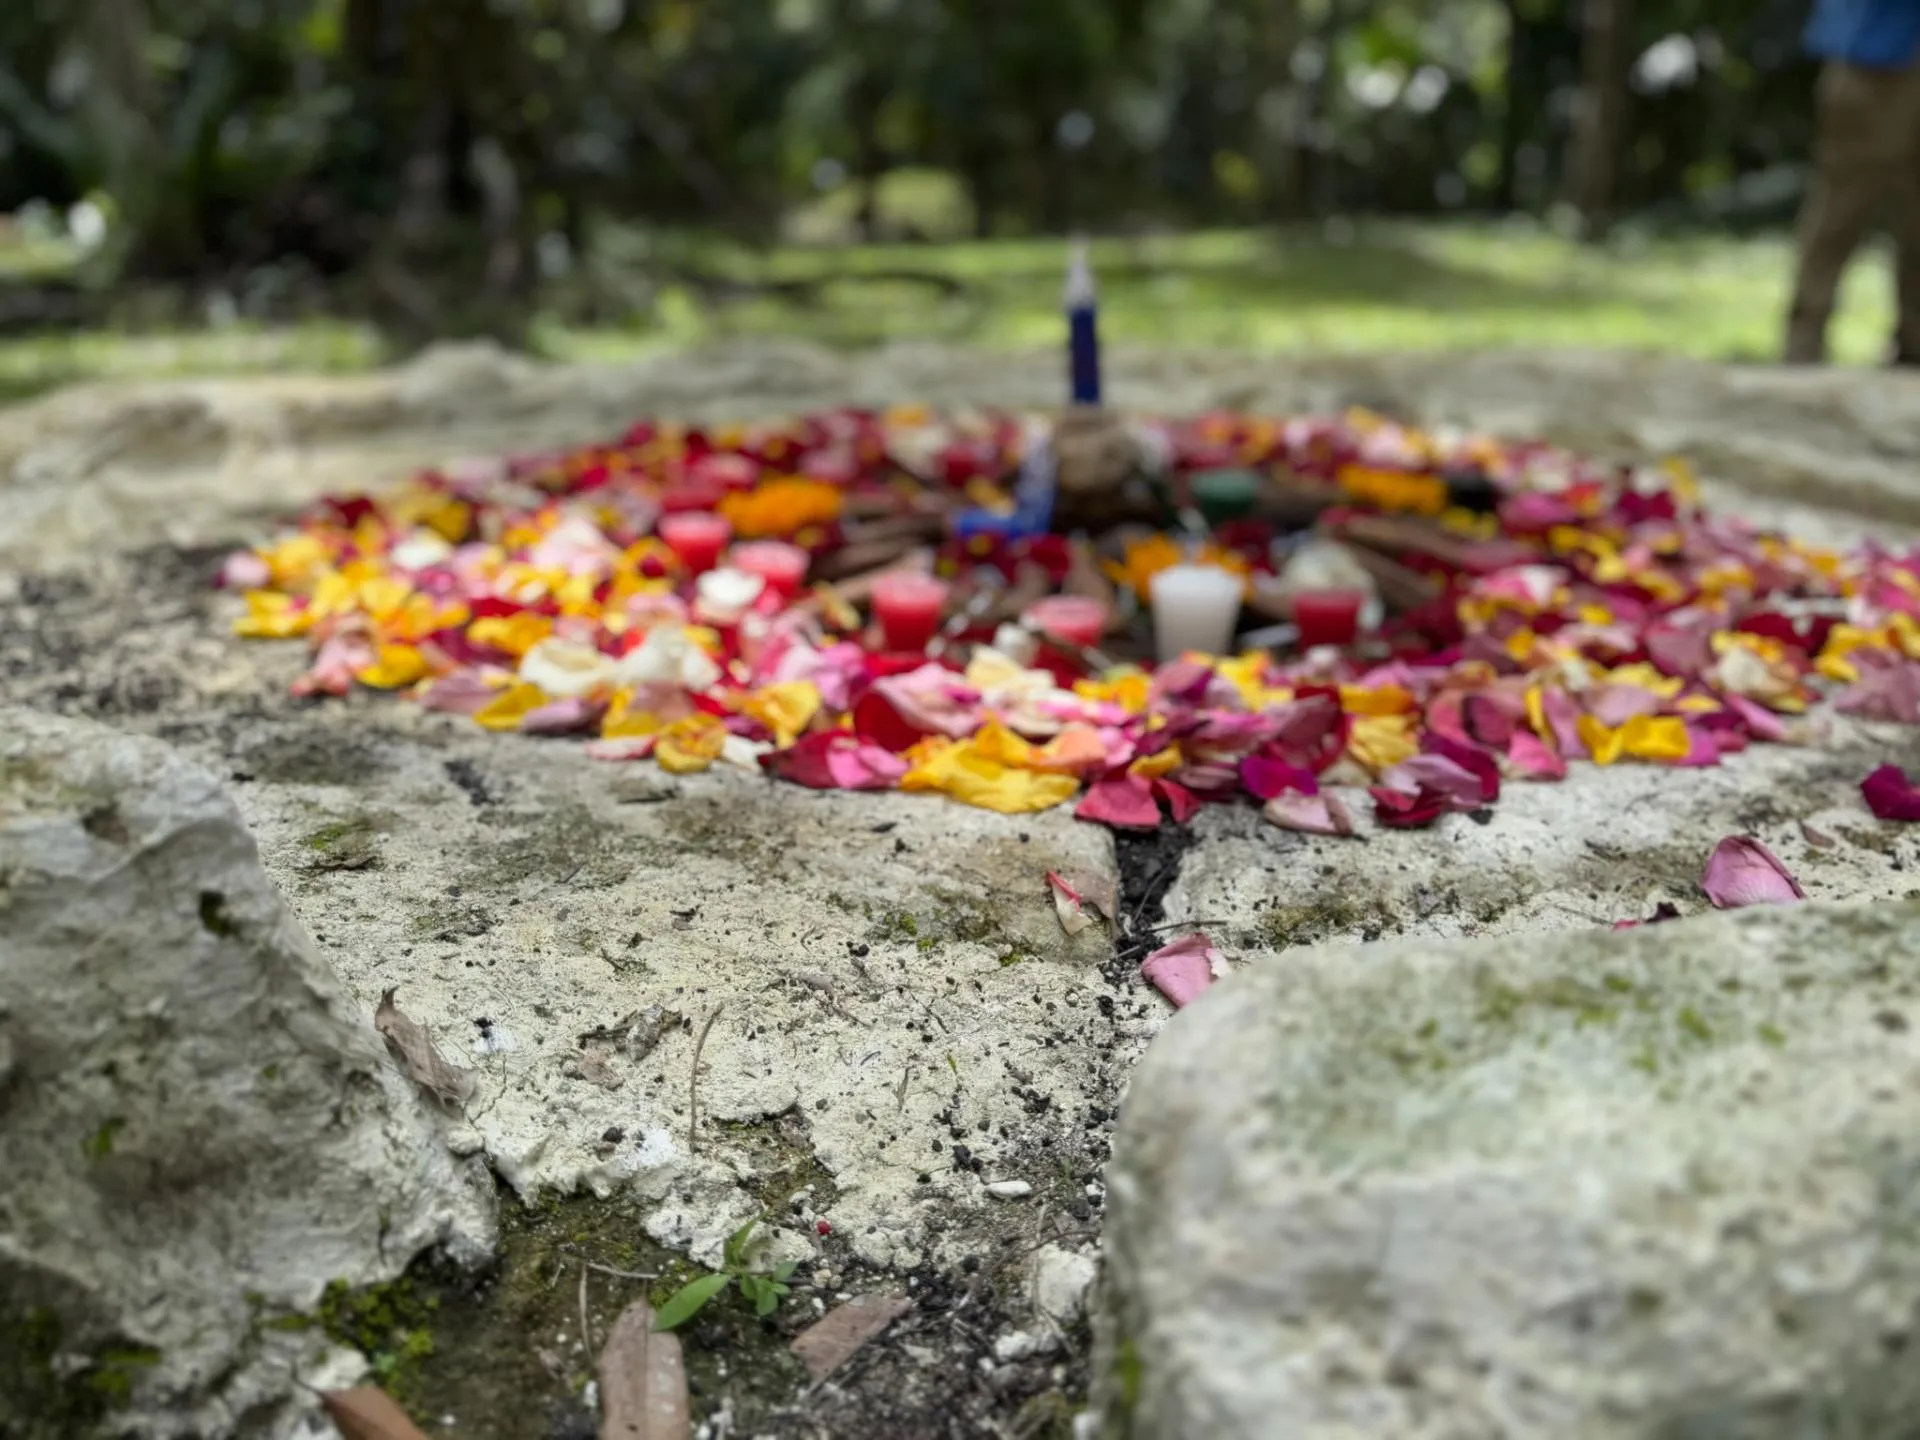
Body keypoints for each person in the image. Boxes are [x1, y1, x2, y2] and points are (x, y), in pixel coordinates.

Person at [1784, 0, 1920, 364]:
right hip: (1872, 66)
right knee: (1841, 207)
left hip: (1898, 56)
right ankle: (1804, 341)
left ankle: (1913, 341)